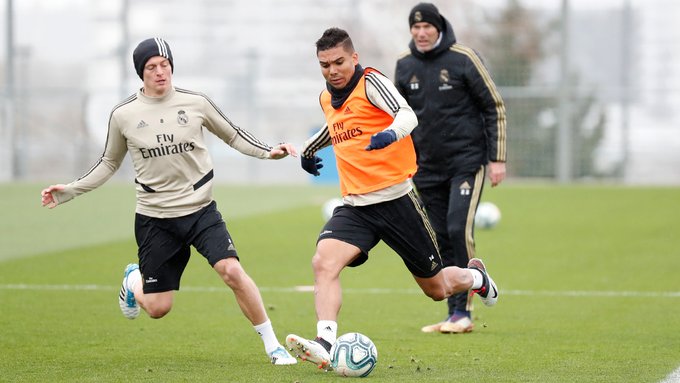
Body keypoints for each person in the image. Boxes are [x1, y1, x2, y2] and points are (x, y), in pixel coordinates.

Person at [40, 37, 298, 365]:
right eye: (151, 67)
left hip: (201, 210)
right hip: (155, 219)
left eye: (165, 64)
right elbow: (108, 163)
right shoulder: (124, 115)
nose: (160, 72)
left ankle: (273, 346)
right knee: (158, 309)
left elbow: (233, 134)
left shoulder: (197, 103)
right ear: (141, 72)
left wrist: (269, 152)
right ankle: (133, 280)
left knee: (231, 271)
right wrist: (69, 190)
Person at [285, 27, 499, 370]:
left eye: (339, 62)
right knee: (323, 262)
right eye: (324, 65)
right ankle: (325, 342)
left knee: (437, 287)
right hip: (356, 206)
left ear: (354, 58)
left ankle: (476, 278)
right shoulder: (327, 97)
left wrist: (388, 134)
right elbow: (336, 128)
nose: (332, 70)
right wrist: (308, 151)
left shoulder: (371, 82)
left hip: (397, 202)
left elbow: (406, 114)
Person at [394, 3, 507, 334]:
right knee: (438, 236)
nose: (421, 33)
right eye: (415, 29)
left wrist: (497, 158)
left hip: (466, 163)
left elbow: (494, 107)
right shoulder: (404, 65)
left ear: (438, 28)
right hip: (425, 168)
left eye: (427, 27)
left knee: (458, 229)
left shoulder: (464, 59)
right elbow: (396, 118)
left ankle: (465, 313)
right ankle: (452, 313)